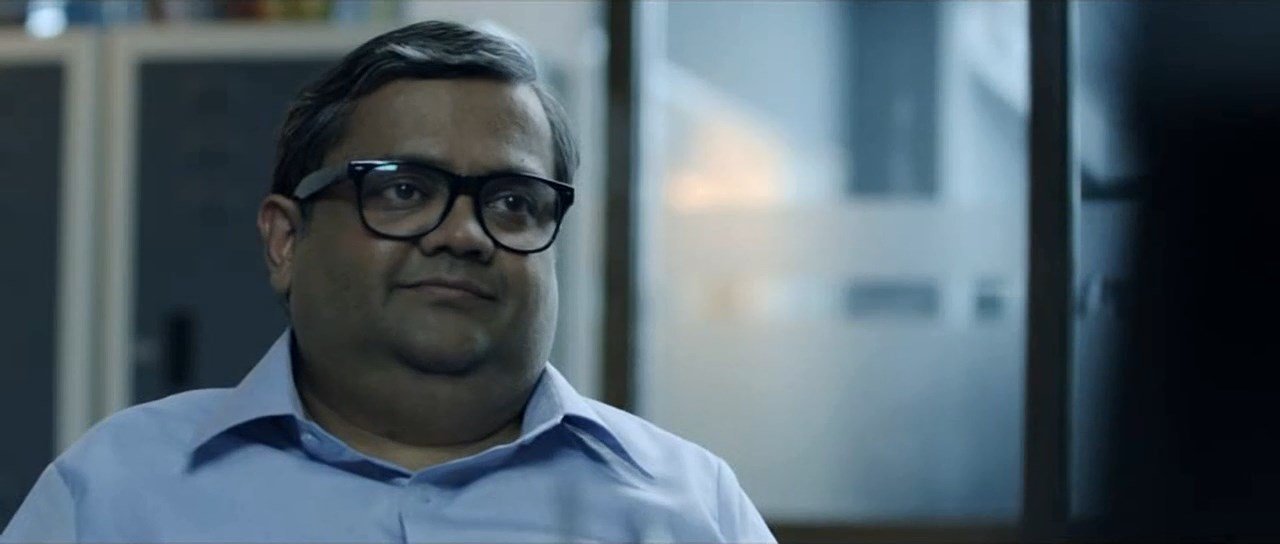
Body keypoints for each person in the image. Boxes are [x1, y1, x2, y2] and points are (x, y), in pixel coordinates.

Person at [1, 21, 774, 543]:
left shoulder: (689, 506)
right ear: (285, 240)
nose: (464, 234)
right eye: (403, 190)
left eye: (512, 202)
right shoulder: (118, 492)